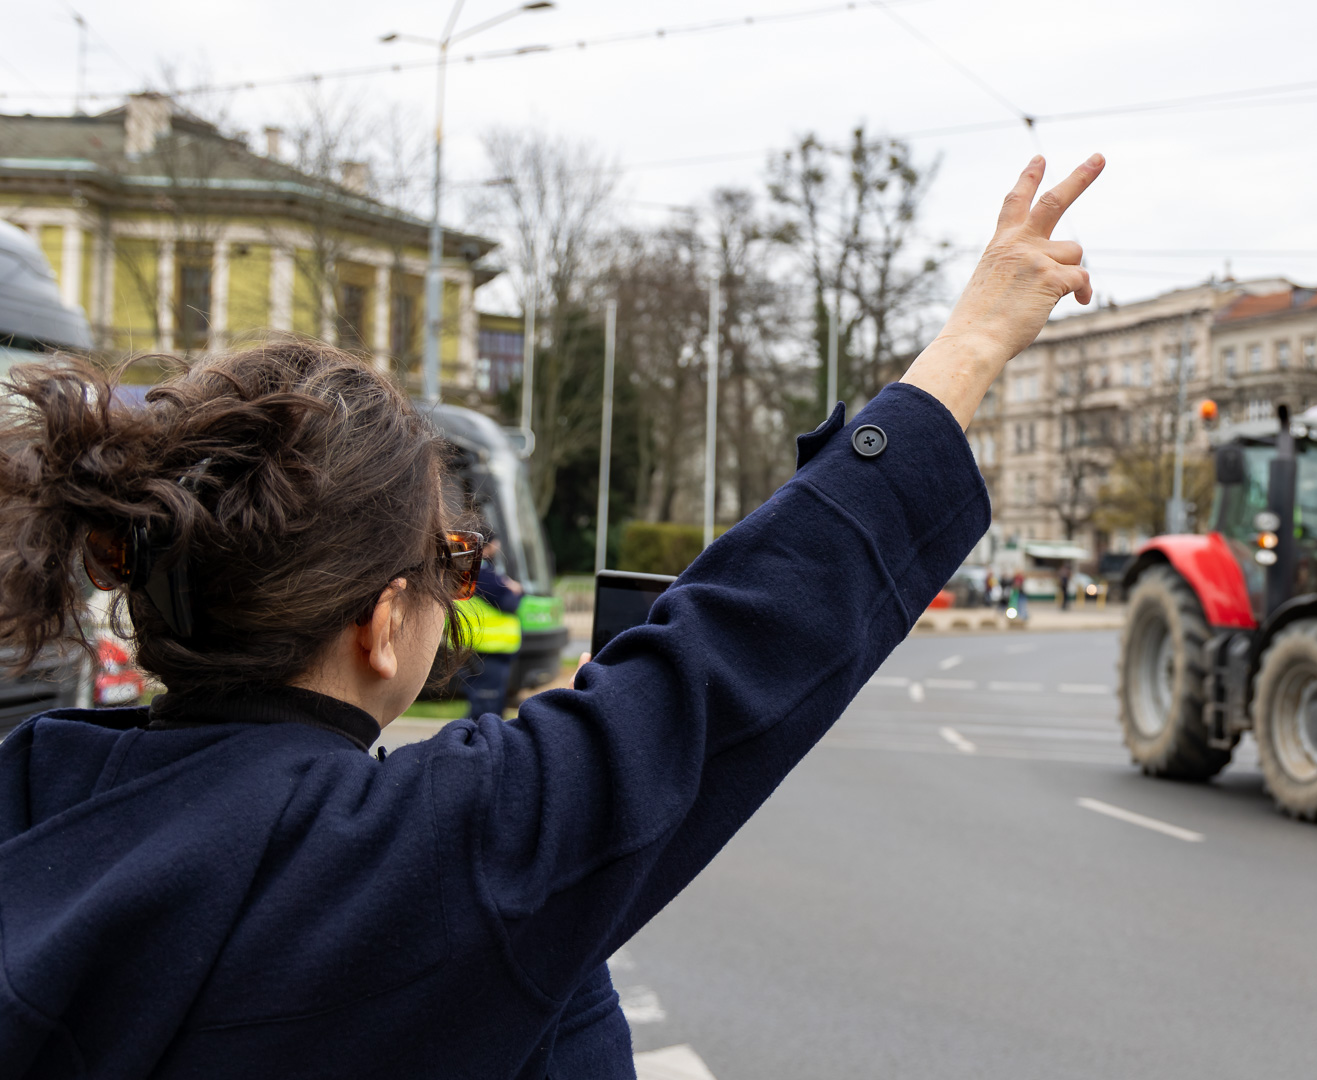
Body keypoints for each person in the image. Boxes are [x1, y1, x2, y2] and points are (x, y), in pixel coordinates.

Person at [0, 152, 1102, 1079]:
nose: (460, 582)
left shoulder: (31, 791)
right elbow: (737, 654)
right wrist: (970, 345)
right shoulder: (429, 860)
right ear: (386, 624)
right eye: (453, 559)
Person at [460, 538, 524, 719]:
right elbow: (509, 602)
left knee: (484, 706)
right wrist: (517, 590)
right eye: (496, 545)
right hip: (489, 649)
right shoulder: (482, 572)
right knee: (485, 712)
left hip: (476, 647)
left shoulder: (466, 570)